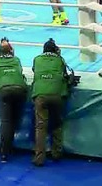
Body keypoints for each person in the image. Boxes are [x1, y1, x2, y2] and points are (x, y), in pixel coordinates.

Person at [30, 38, 69, 166]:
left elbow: (34, 70)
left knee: (40, 127)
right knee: (57, 124)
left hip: (40, 95)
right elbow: (65, 74)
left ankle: (39, 158)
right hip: (57, 95)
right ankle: (57, 153)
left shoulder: (37, 59)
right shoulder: (60, 60)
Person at [0, 38, 29, 163]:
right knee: (14, 120)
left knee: (6, 122)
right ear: (12, 51)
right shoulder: (17, 60)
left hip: (4, 91)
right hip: (20, 89)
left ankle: (4, 154)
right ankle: (10, 147)